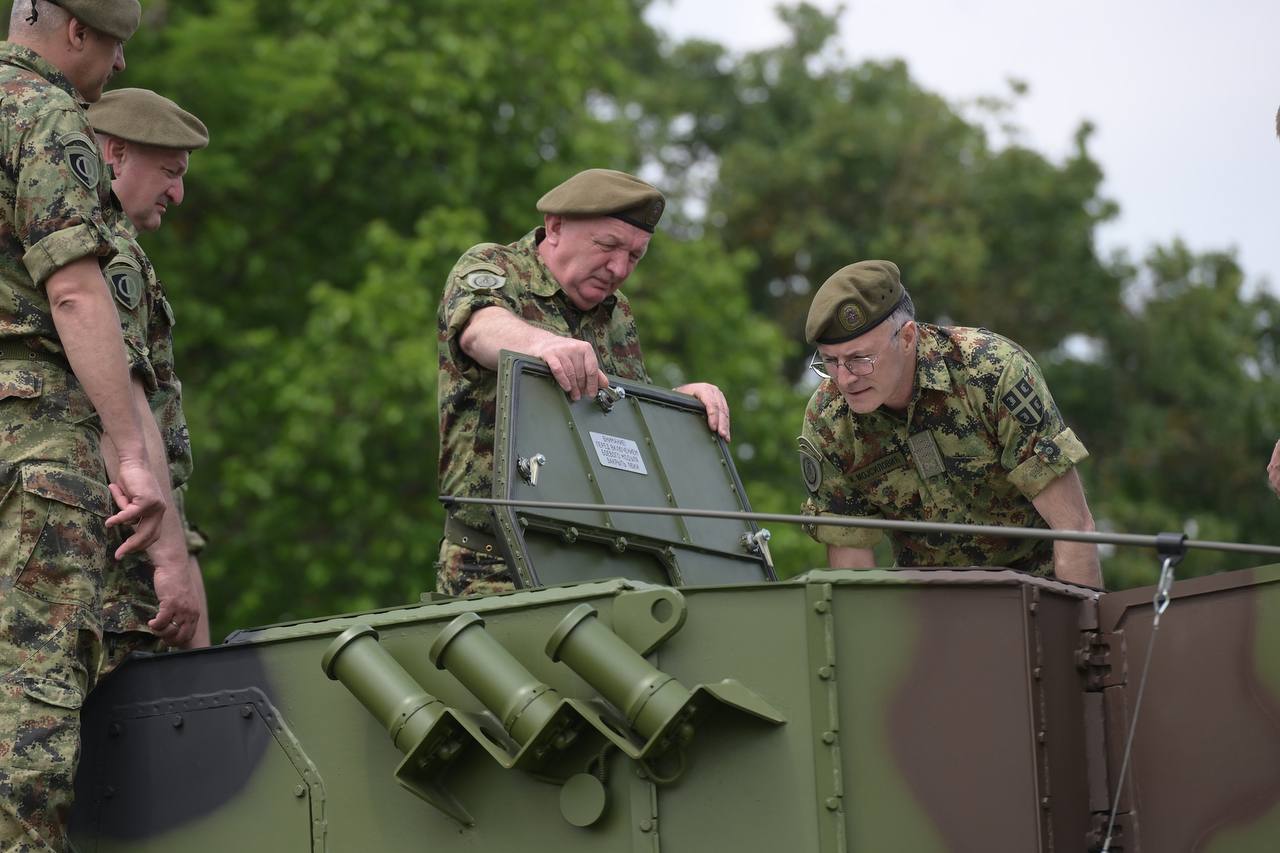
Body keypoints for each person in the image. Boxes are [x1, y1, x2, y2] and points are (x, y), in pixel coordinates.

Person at [0, 1, 198, 849]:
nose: (115, 67)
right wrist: (134, 461)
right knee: (35, 724)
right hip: (41, 443)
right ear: (76, 31)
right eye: (113, 45)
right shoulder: (43, 115)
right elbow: (76, 292)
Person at [436, 168, 731, 596]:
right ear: (556, 226)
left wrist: (679, 410)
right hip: (490, 565)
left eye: (635, 256)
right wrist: (544, 346)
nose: (619, 268)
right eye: (608, 245)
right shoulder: (495, 267)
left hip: (598, 561)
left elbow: (622, 422)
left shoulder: (616, 314)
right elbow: (480, 330)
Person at [797, 260, 1103, 587]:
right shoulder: (829, 419)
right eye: (830, 361)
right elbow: (851, 568)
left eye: (859, 359)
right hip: (926, 610)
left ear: (907, 337)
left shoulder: (992, 373)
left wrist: (1081, 634)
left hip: (1036, 593)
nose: (844, 379)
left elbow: (1073, 528)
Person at [88, 86, 212, 662]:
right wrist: (170, 563)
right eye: (169, 171)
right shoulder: (107, 255)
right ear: (115, 155)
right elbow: (128, 410)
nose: (178, 193)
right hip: (116, 550)